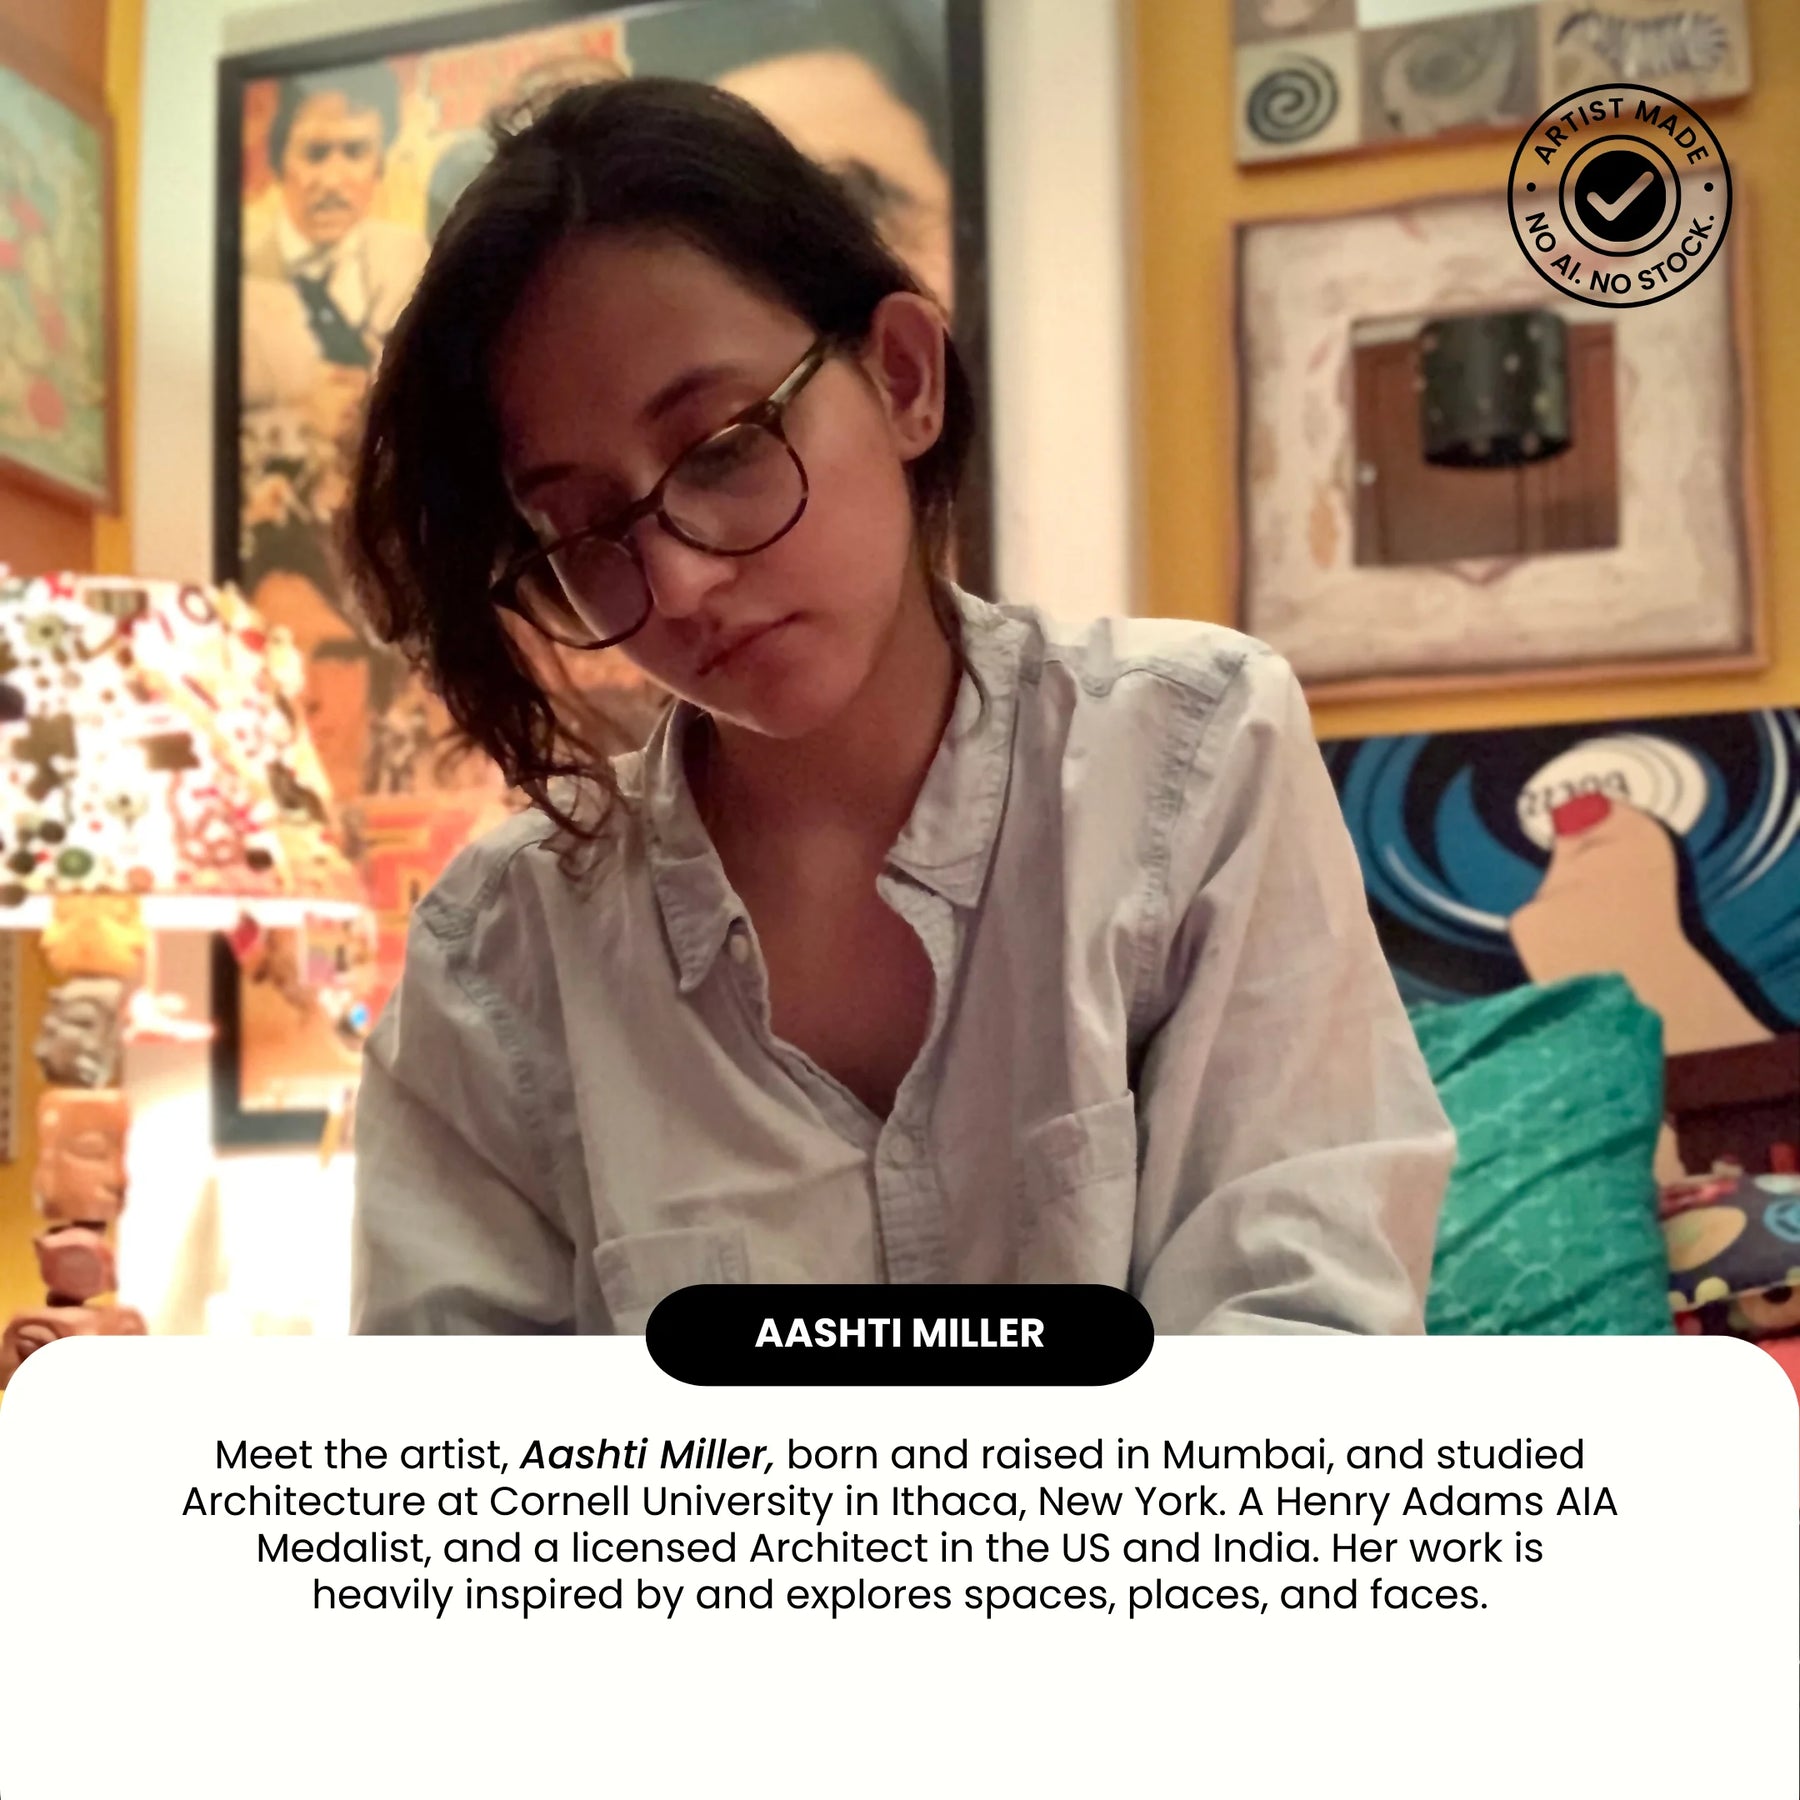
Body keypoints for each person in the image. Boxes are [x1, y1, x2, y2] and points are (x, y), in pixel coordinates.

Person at [343, 78, 1454, 1337]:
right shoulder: (499, 960)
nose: (680, 580)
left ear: (905, 378)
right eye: (585, 528)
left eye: (722, 448)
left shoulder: (1192, 755)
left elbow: (1301, 1324)